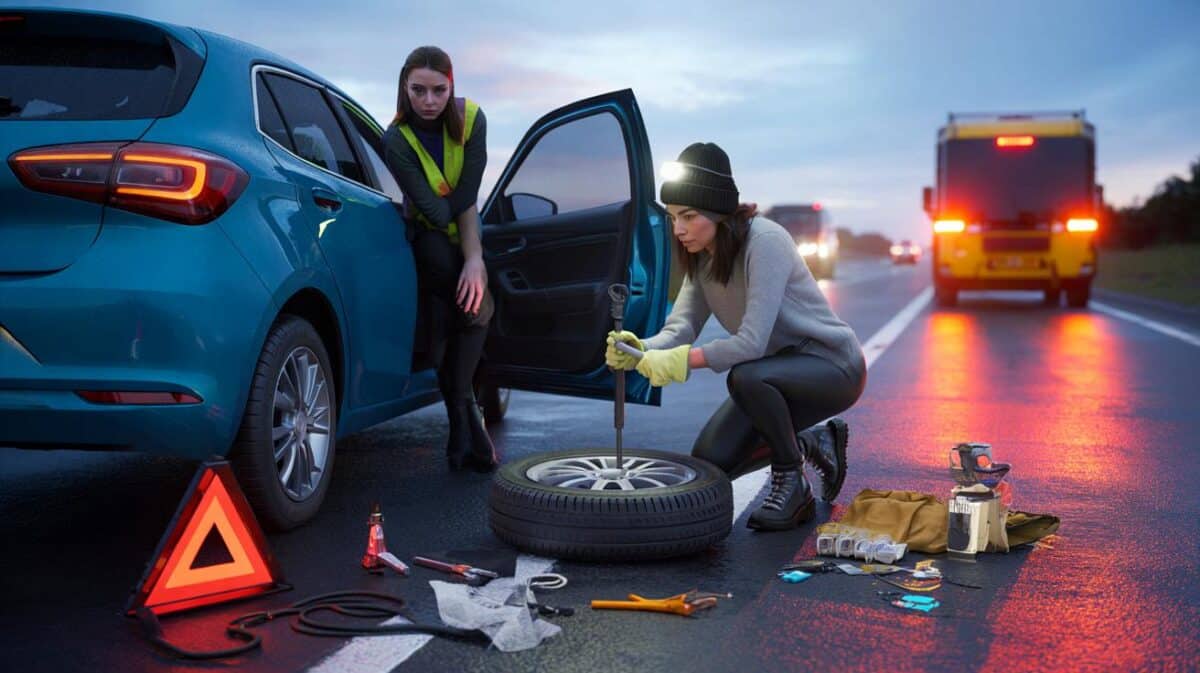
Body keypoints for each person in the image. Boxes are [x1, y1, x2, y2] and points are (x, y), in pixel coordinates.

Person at [607, 142, 867, 530]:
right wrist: (642, 348)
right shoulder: (703, 256)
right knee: (712, 460)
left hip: (832, 367)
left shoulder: (764, 242)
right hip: (775, 376)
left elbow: (751, 344)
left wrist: (683, 361)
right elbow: (681, 328)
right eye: (673, 217)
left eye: (688, 216)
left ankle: (791, 483)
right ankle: (814, 442)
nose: (677, 229)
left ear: (717, 212)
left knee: (746, 375)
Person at [383, 46, 497, 472]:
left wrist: (474, 257)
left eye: (438, 90)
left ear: (452, 86)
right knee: (473, 306)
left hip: (465, 239)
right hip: (429, 246)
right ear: (404, 87)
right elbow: (436, 212)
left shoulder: (472, 120)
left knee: (458, 316)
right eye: (418, 90)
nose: (428, 101)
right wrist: (467, 248)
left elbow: (466, 194)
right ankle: (465, 419)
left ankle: (460, 426)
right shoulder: (396, 139)